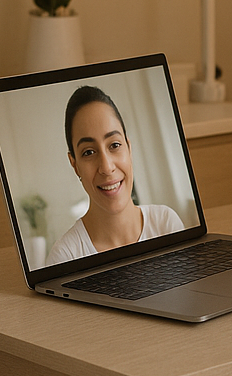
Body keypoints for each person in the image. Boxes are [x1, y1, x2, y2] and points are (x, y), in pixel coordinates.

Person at [47, 85, 184, 266]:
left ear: (129, 148)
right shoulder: (65, 256)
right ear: (74, 165)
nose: (107, 167)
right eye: (88, 152)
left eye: (114, 145)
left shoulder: (166, 224)